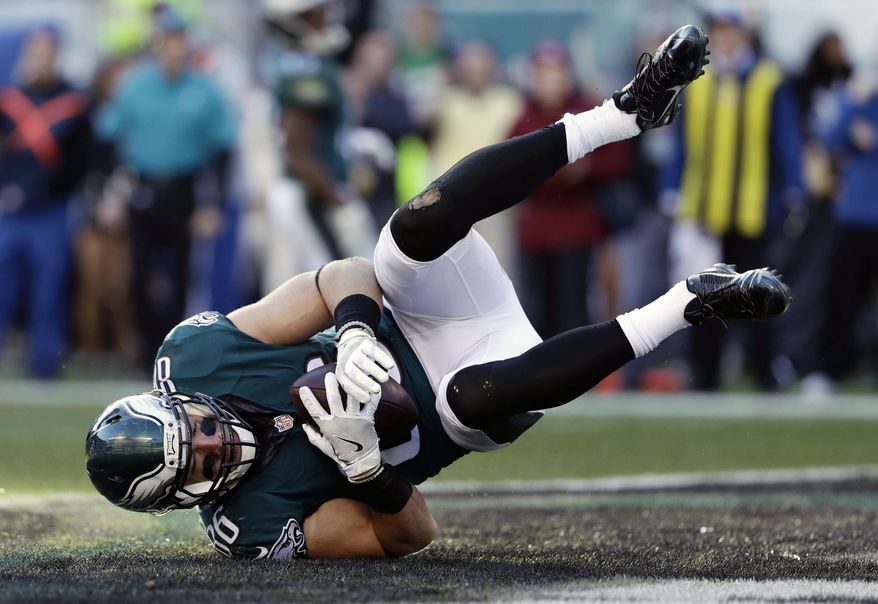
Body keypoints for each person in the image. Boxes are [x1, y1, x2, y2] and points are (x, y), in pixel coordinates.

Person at [85, 26, 790, 560]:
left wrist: (357, 330)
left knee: (404, 235)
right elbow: (409, 536)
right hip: (471, 392)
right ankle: (692, 303)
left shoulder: (197, 357)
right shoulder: (250, 525)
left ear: (184, 406)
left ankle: (624, 114)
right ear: (181, 499)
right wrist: (365, 470)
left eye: (201, 433)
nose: (219, 447)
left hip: (424, 310)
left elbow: (335, 277)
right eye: (204, 467)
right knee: (464, 399)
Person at [659, 11, 805, 391]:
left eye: (730, 32)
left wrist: (794, 188)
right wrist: (670, 186)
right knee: (706, 296)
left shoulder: (767, 80)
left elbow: (787, 140)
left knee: (757, 292)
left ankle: (763, 369)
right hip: (706, 210)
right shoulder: (700, 81)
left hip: (754, 208)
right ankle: (704, 372)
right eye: (718, 32)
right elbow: (680, 140)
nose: (724, 40)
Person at [97, 8, 235, 366]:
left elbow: (222, 152)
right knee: (139, 272)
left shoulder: (203, 90)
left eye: (179, 41)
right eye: (167, 42)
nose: (174, 49)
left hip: (184, 190)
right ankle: (144, 353)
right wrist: (110, 195)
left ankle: (175, 355)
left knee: (182, 276)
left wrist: (212, 204)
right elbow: (111, 143)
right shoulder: (136, 86)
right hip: (143, 188)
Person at [0, 26, 89, 378]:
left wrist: (49, 191)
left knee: (48, 290)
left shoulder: (73, 103)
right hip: (10, 209)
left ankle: (45, 364)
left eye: (46, 52)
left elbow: (80, 162)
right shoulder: (9, 100)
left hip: (51, 209)